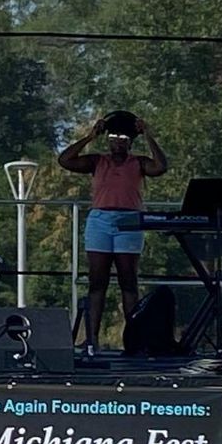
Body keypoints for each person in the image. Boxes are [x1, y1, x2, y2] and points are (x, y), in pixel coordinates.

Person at [57, 108, 168, 357]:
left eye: (123, 138)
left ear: (130, 142)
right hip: (100, 220)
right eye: (113, 137)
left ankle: (134, 341)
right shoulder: (98, 161)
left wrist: (148, 134)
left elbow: (161, 166)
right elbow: (65, 160)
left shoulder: (138, 162)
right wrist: (90, 136)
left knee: (128, 281)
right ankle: (91, 340)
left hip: (129, 221)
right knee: (97, 282)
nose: (117, 142)